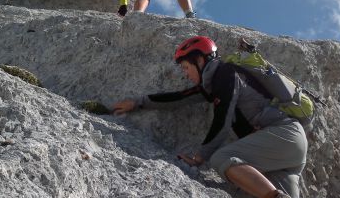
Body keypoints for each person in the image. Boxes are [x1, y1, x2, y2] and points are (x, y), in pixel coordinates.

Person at [112, 36, 307, 198]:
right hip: (287, 149)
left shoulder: (226, 73)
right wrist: (138, 102)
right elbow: (179, 98)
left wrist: (200, 157)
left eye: (186, 67)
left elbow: (223, 117)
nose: (185, 73)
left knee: (221, 157)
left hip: (283, 134)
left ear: (199, 60)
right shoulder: (213, 86)